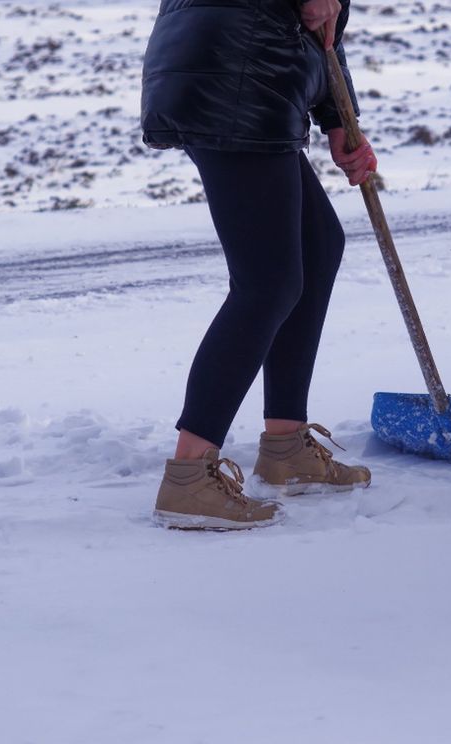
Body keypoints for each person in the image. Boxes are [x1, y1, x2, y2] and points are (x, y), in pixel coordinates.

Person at [140, 0, 378, 530]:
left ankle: (286, 446)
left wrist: (341, 120)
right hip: (234, 71)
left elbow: (324, 26)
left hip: (251, 69)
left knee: (318, 247)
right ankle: (188, 479)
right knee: (266, 283)